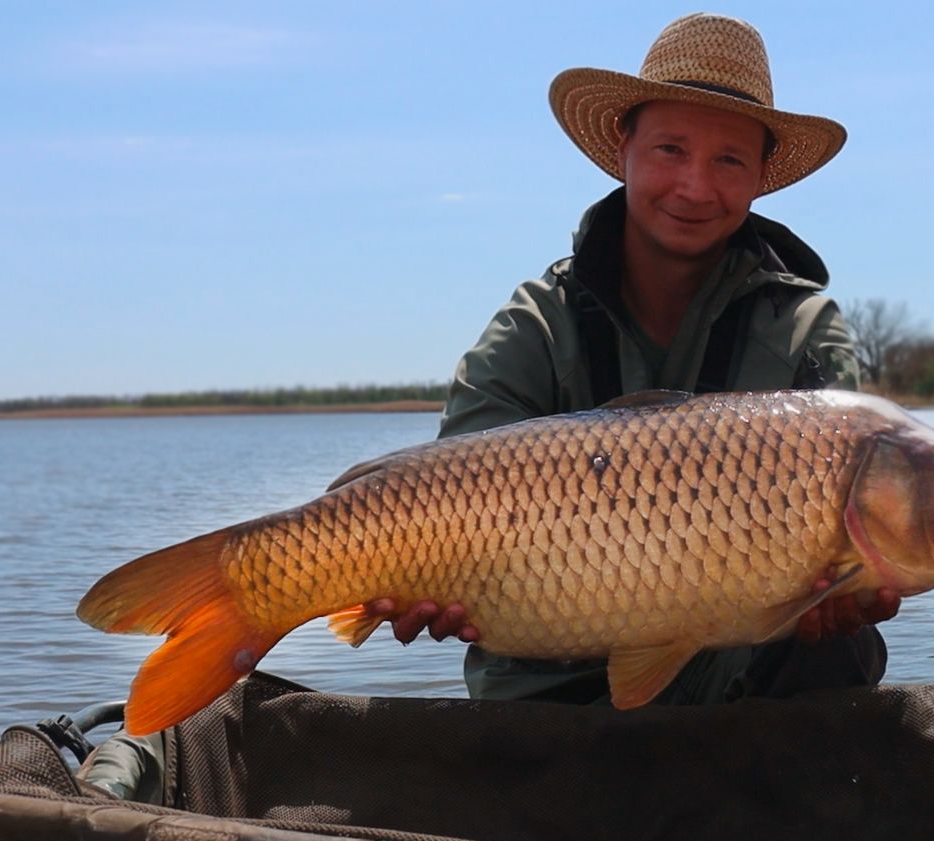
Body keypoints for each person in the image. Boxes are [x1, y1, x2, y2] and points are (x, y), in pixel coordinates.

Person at [370, 12, 902, 704]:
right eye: (670, 150)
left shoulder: (804, 327)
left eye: (729, 160)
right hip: (546, 684)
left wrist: (846, 596)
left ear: (762, 175)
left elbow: (844, 521)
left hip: (736, 690)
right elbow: (449, 495)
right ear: (622, 149)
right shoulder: (536, 323)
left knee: (847, 643)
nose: (694, 187)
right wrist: (428, 585)